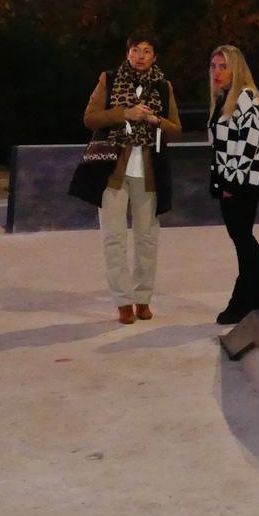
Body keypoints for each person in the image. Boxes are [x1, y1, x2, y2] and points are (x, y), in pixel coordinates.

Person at [82, 30, 182, 324]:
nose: (140, 56)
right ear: (127, 53)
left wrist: (154, 120)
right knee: (113, 238)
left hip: (148, 172)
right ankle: (122, 302)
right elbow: (90, 118)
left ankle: (143, 299)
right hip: (112, 170)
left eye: (147, 51)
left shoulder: (163, 86)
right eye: (136, 50)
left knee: (147, 238)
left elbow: (176, 128)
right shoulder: (109, 79)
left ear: (155, 56)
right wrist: (124, 113)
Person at [208, 45, 259, 324]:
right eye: (213, 66)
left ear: (236, 69)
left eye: (223, 66)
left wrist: (231, 184)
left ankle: (243, 301)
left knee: (243, 240)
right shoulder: (224, 98)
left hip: (243, 182)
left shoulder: (246, 97)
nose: (217, 72)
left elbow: (250, 145)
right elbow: (221, 146)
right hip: (231, 181)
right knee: (243, 239)